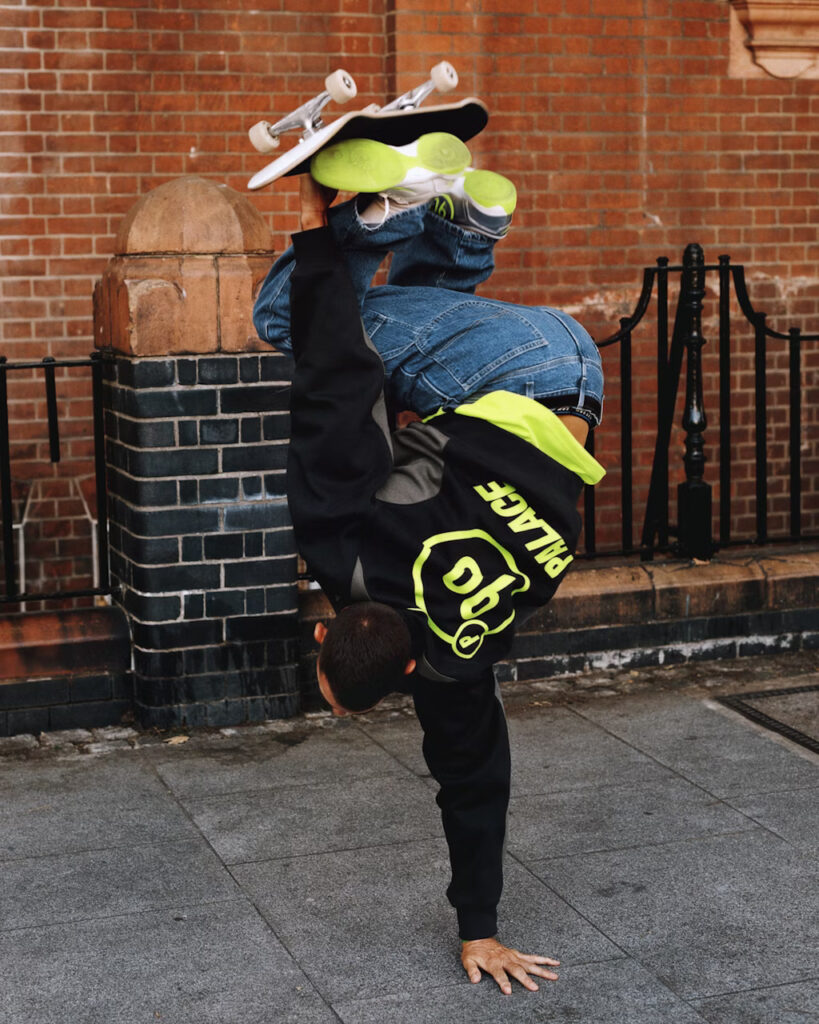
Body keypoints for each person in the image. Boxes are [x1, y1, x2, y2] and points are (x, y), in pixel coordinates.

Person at [252, 131, 605, 996]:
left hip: (574, 383)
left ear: (407, 667)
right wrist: (324, 224)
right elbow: (335, 381)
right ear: (330, 628)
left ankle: (467, 222)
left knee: (405, 331)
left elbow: (475, 784)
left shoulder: (455, 661)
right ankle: (390, 216)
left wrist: (479, 929)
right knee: (283, 320)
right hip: (501, 368)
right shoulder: (340, 543)